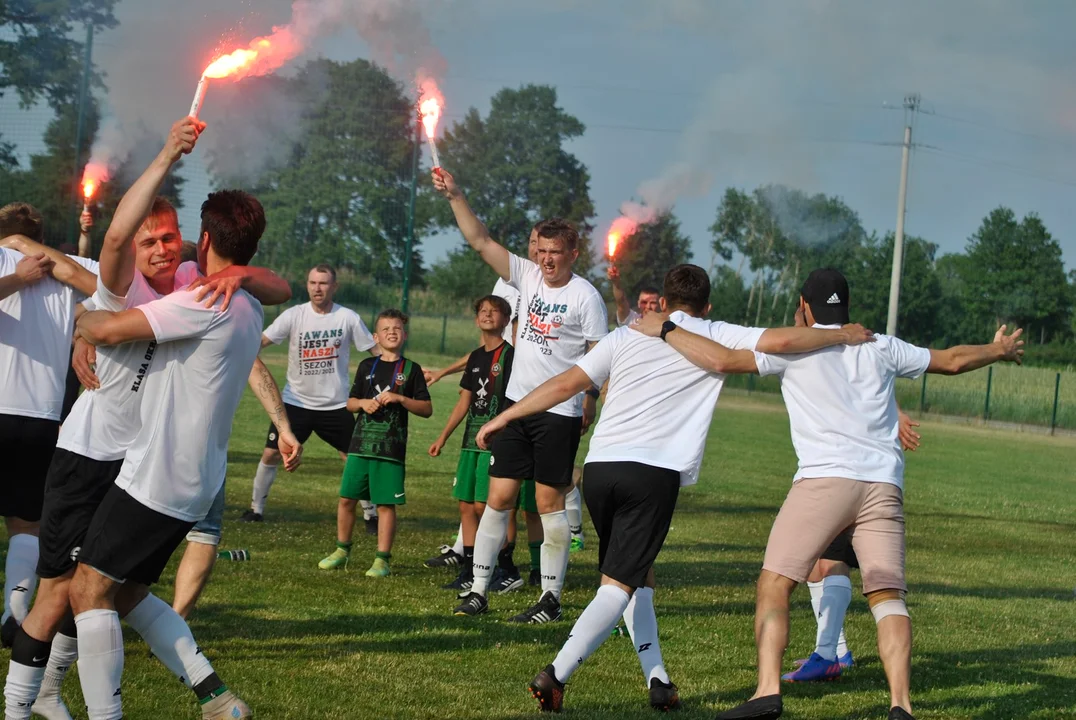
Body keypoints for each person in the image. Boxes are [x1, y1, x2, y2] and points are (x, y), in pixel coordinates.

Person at [475, 264, 874, 712]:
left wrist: (505, 416)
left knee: (637, 575)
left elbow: (567, 383)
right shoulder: (716, 332)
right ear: (707, 306)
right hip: (652, 473)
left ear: (662, 302)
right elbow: (783, 341)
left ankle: (659, 679)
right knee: (618, 584)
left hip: (601, 469)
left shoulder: (626, 335)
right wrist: (839, 335)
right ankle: (556, 673)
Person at [645, 268, 1024, 720]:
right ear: (845, 306)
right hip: (884, 484)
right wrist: (998, 349)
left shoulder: (795, 350)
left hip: (825, 481)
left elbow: (722, 360)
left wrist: (666, 329)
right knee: (887, 597)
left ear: (804, 309)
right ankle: (901, 705)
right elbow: (953, 360)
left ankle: (767, 691)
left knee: (774, 583)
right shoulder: (880, 345)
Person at [66, 183, 273, 720]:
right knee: (129, 593)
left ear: (203, 240)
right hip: (197, 480)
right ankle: (218, 701)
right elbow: (279, 284)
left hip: (158, 476)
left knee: (88, 591)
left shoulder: (202, 302)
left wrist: (82, 325)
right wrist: (244, 273)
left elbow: (108, 328)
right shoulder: (247, 301)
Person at [434, 169, 607, 624]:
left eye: (557, 253)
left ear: (573, 253)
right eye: (543, 251)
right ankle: (479, 590)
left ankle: (550, 599)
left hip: (559, 413)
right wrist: (456, 195)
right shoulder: (526, 275)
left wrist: (589, 403)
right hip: (513, 407)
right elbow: (480, 241)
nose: (548, 260)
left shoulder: (586, 297)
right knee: (498, 499)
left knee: (549, 504)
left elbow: (599, 358)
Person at [423, 227, 547, 590]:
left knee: (520, 503)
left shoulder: (516, 350)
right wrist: (443, 433)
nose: (537, 249)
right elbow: (476, 367)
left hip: (513, 427)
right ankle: (474, 563)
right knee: (472, 503)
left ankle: (510, 566)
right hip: (471, 436)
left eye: (543, 244)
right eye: (533, 243)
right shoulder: (509, 278)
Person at [0, 202, 98, 649]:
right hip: (40, 412)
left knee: (25, 522)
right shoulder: (71, 268)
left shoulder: (5, 260)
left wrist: (19, 277)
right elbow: (107, 289)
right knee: (26, 523)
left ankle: (17, 613)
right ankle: (15, 610)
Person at [241, 263, 379, 526]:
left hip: (336, 406)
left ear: (334, 286)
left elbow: (375, 352)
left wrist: (404, 372)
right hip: (295, 404)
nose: (317, 288)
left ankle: (370, 514)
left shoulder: (347, 317)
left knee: (353, 458)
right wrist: (234, 350)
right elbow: (260, 341)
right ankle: (255, 510)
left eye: (324, 283)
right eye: (313, 282)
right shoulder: (294, 315)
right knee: (271, 454)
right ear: (307, 285)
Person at [319, 309, 432, 577]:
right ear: (375, 337)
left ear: (404, 335)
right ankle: (341, 550)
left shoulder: (411, 370)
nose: (391, 332)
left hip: (390, 449)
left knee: (384, 504)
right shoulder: (367, 366)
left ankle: (382, 560)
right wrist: (363, 403)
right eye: (385, 329)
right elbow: (350, 403)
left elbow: (427, 409)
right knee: (347, 498)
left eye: (396, 329)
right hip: (360, 446)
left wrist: (401, 399)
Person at [428, 295, 516, 592]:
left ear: (506, 320)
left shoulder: (511, 356)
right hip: (470, 441)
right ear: (476, 318)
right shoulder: (476, 357)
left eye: (495, 311)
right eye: (482, 311)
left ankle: (501, 566)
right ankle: (468, 568)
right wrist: (443, 437)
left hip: (495, 440)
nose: (488, 315)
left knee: (486, 506)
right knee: (466, 505)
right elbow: (464, 401)